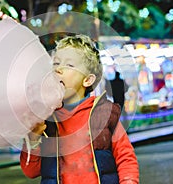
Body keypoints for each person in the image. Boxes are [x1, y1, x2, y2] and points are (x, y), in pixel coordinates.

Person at [19, 34, 139, 184]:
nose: (58, 70)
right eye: (55, 63)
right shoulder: (46, 120)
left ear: (87, 80)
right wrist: (33, 139)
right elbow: (31, 171)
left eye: (69, 65)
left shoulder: (104, 114)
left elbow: (125, 157)